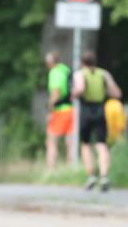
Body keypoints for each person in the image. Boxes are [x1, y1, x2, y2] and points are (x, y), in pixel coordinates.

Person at [72, 50, 123, 192]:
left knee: (86, 144)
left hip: (86, 110)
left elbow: (80, 89)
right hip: (101, 110)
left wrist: (73, 95)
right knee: (102, 144)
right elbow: (117, 93)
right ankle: (104, 175)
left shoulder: (80, 73)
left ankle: (91, 176)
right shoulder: (104, 74)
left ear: (82, 62)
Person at [44, 51, 74, 171]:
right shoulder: (66, 70)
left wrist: (50, 109)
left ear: (51, 62)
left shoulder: (54, 72)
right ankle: (70, 167)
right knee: (70, 142)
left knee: (51, 141)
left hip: (60, 111)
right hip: (72, 109)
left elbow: (56, 92)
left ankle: (51, 169)